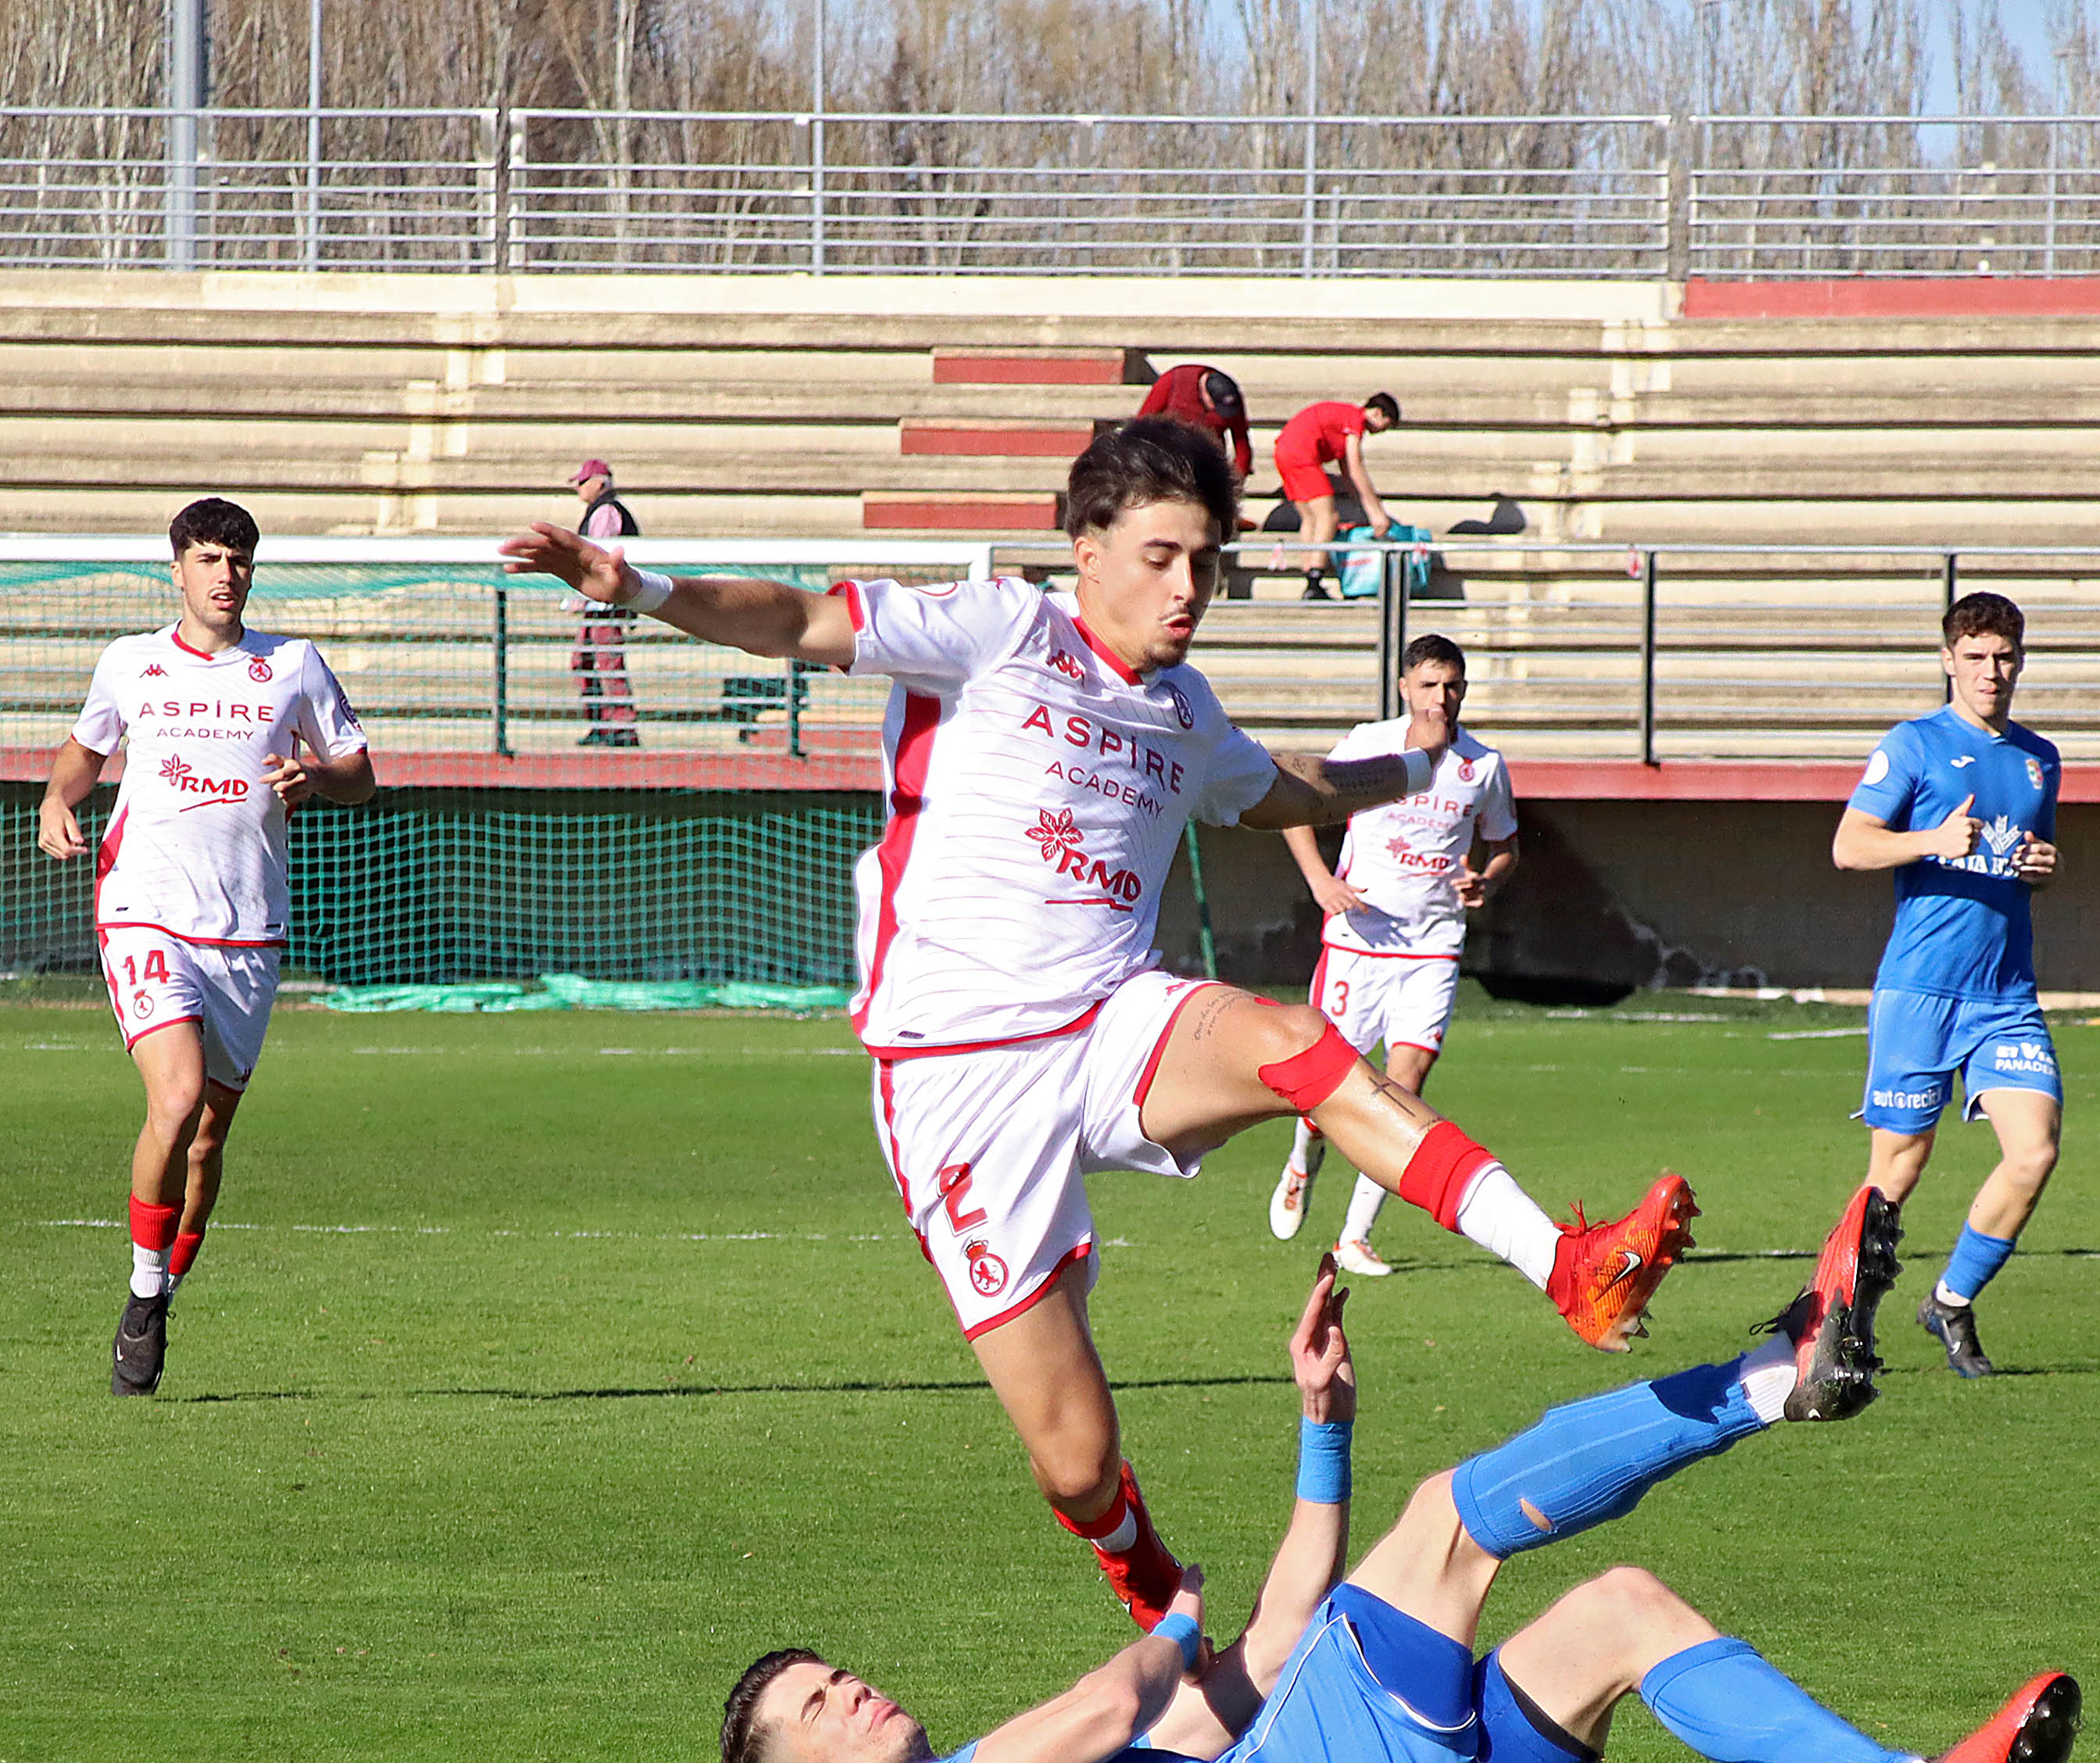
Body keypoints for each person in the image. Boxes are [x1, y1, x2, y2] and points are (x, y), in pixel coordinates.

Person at [499, 417, 1693, 1631]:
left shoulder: (1185, 709)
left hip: (1118, 1017)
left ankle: (1567, 1267)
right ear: (1088, 548)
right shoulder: (1002, 629)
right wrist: (632, 586)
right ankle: (1163, 1602)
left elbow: (1285, 790)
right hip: (957, 1074)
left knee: (1298, 1044)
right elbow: (801, 620)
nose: (1191, 589)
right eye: (1164, 556)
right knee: (1076, 1459)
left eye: (1211, 565)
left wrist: (1419, 770)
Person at [719, 1184, 2087, 1763]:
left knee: (1618, 1612)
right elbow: (1101, 1707)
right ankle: (1769, 1375)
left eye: (835, 1675)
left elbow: (1276, 1647)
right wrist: (1166, 1619)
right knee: (1448, 1518)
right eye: (821, 1707)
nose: (853, 1694)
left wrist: (1323, 1431)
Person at [32, 496, 376, 1396]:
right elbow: (83, 752)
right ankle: (141, 1299)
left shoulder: (291, 666)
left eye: (240, 559)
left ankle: (163, 1290)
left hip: (247, 930)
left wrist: (320, 773)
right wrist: (55, 800)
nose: (226, 574)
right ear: (175, 569)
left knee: (206, 1140)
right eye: (210, 558)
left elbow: (361, 771)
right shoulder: (132, 664)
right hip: (143, 908)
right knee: (177, 1096)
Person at [1830, 592, 2062, 1381]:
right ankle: (1843, 1324)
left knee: (2033, 1152)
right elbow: (1849, 846)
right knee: (1898, 1167)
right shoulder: (1915, 744)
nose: (1991, 672)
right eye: (1975, 658)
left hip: (2005, 995)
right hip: (1920, 990)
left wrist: (2043, 868)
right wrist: (1930, 839)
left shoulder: (2040, 758)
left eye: (2003, 657)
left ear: (2021, 660)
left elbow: (2021, 856)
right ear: (1947, 660)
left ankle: (1950, 1301)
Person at [1268, 633, 1518, 1276]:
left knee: (1403, 1087)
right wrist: (1320, 880)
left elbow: (1506, 845)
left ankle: (1355, 1235)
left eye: (1453, 684)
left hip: (1433, 946)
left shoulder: (1482, 766)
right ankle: (1303, 1160)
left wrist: (1487, 881)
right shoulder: (1369, 745)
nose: (1443, 697)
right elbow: (1299, 802)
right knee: (1329, 1091)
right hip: (1360, 942)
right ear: (1405, 687)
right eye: (1430, 685)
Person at [1271, 393, 1399, 603]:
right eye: (1386, 425)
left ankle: (1310, 579)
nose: (1382, 431)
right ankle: (1315, 578)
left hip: (1285, 451)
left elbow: (1348, 474)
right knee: (1328, 518)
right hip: (1303, 454)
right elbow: (1356, 468)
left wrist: (1361, 503)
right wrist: (1377, 514)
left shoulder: (1344, 420)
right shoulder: (1355, 419)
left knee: (1310, 519)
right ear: (1377, 413)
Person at [568, 457, 643, 747]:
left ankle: (621, 726)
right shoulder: (600, 510)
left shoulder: (606, 512)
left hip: (606, 602)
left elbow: (599, 559)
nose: (578, 489)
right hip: (597, 601)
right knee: (584, 661)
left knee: (606, 660)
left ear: (599, 483)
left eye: (582, 482)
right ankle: (603, 723)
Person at [1137, 364, 1252, 481]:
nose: (1218, 412)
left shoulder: (1231, 400)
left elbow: (1242, 444)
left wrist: (1236, 480)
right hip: (1168, 461)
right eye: (1215, 407)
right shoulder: (1174, 381)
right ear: (1205, 395)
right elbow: (1140, 427)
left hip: (1209, 466)